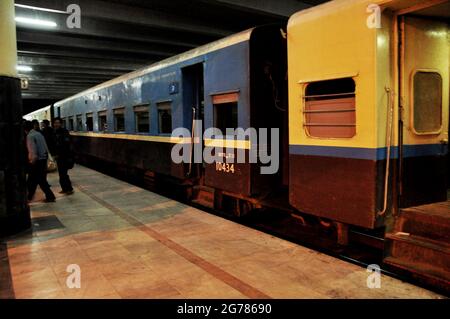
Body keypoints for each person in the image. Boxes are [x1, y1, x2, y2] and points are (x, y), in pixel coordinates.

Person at [24, 120, 56, 202]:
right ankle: (30, 196)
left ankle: (50, 196)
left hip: (37, 161)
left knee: (39, 180)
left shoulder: (30, 136)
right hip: (43, 159)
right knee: (34, 180)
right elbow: (45, 146)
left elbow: (33, 152)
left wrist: (31, 162)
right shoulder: (39, 134)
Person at [53, 117, 74, 194]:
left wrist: (69, 157)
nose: (56, 124)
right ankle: (66, 188)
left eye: (58, 123)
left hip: (64, 157)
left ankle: (68, 189)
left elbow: (66, 145)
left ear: (61, 124)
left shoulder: (64, 132)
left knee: (63, 174)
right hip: (59, 157)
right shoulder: (55, 132)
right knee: (62, 174)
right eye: (55, 123)